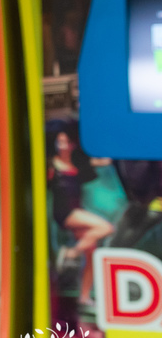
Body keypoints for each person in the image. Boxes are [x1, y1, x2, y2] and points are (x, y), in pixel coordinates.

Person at [47, 121, 113, 305]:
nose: (62, 145)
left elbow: (104, 161)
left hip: (77, 211)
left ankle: (84, 296)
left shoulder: (78, 163)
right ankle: (70, 253)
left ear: (72, 144)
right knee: (105, 227)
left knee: (91, 252)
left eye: (65, 142)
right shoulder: (51, 165)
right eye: (59, 142)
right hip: (64, 212)